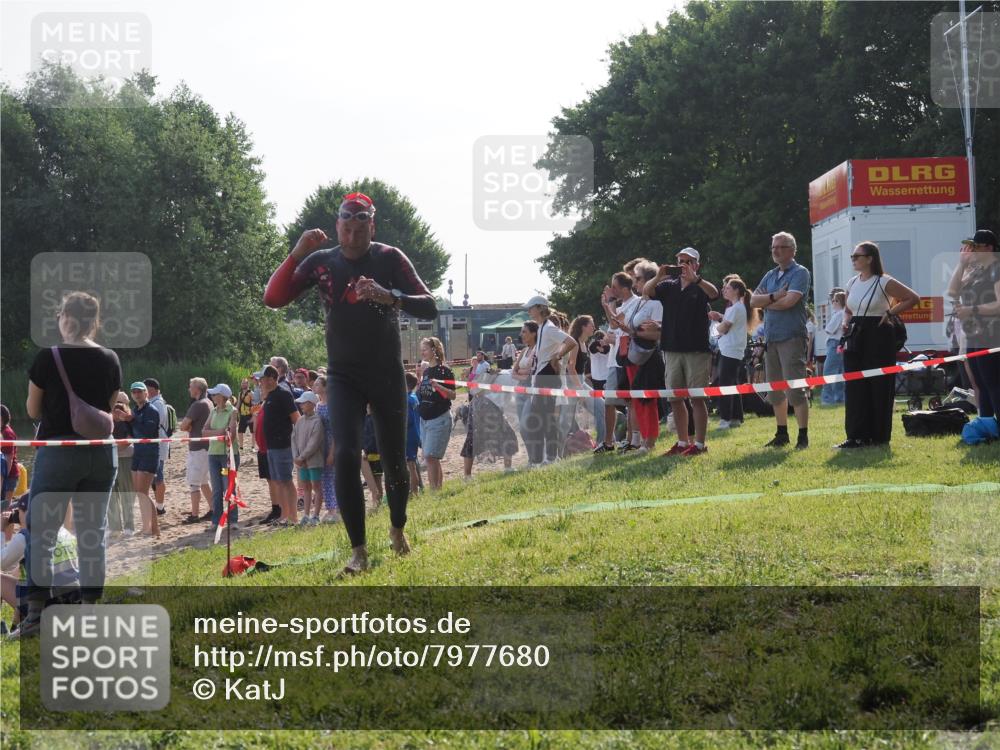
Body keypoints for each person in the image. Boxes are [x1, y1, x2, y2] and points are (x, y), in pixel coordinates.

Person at [264, 192, 438, 573]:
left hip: (386, 372)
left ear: (371, 227)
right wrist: (296, 253)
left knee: (394, 461)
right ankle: (358, 550)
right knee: (345, 454)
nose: (353, 236)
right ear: (338, 227)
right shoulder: (322, 262)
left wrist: (389, 295)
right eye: (346, 228)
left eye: (361, 229)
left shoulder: (389, 258)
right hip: (342, 374)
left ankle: (397, 528)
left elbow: (429, 304)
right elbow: (273, 298)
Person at [18, 291, 121, 638]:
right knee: (93, 533)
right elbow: (106, 408)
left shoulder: (49, 357)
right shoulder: (110, 358)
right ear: (94, 322)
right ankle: (91, 609)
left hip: (60, 451)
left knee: (41, 532)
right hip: (101, 453)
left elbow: (32, 411)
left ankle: (35, 614)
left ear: (65, 318)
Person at [837, 241, 919, 448]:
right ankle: (855, 436)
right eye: (852, 257)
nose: (854, 260)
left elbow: (912, 298)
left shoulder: (884, 281)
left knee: (879, 385)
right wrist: (845, 323)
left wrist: (890, 312)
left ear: (870, 258)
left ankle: (879, 436)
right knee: (855, 385)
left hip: (878, 334)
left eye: (857, 256)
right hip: (856, 334)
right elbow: (848, 309)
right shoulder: (852, 282)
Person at [645, 249, 718, 455]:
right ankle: (683, 442)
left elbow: (715, 293)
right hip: (672, 349)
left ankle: (701, 444)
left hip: (696, 351)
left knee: (697, 398)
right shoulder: (669, 286)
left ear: (697, 264)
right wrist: (659, 275)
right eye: (680, 261)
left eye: (688, 261)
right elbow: (648, 292)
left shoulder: (701, 286)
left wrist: (697, 279)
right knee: (675, 398)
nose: (684, 265)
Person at [750, 232, 812, 450]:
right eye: (773, 247)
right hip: (772, 339)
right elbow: (752, 300)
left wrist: (767, 302)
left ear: (792, 250)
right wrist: (775, 296)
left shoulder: (800, 273)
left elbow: (790, 302)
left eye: (781, 247)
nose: (775, 250)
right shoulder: (770, 274)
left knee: (795, 389)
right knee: (775, 389)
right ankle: (782, 433)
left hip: (791, 337)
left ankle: (803, 436)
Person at [947, 229, 1000, 418]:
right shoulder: (977, 270)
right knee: (979, 382)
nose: (972, 250)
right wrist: (961, 264)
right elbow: (952, 291)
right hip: (975, 333)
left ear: (989, 248)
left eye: (976, 246)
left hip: (992, 333)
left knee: (992, 382)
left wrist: (973, 309)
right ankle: (985, 423)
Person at [524, 296, 577, 466]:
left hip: (547, 376)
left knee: (545, 419)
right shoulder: (542, 328)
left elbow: (571, 342)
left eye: (531, 308)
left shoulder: (548, 329)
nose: (528, 311)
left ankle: (551, 457)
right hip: (542, 375)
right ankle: (543, 458)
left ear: (540, 308)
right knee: (538, 419)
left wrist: (557, 355)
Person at [709, 276, 757, 428]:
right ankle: (736, 417)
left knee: (725, 384)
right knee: (732, 383)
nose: (725, 290)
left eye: (728, 288)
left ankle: (725, 419)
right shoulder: (736, 307)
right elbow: (730, 322)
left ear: (736, 291)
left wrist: (715, 326)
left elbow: (724, 327)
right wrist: (721, 318)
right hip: (732, 349)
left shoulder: (736, 308)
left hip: (730, 350)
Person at [259, 366, 299, 524]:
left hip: (283, 445)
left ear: (270, 378)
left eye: (262, 379)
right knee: (278, 481)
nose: (260, 382)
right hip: (271, 446)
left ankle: (293, 517)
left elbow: (296, 418)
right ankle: (284, 515)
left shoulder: (283, 394)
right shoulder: (270, 395)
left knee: (286, 481)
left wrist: (297, 443)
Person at [417, 337, 456, 490]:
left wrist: (439, 387)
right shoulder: (427, 371)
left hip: (439, 418)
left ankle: (434, 491)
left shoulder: (444, 370)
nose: (422, 353)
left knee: (430, 457)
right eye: (421, 350)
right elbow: (424, 394)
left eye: (425, 349)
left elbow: (452, 395)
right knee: (431, 457)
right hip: (425, 420)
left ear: (434, 350)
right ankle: (437, 490)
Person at [202, 383, 240, 532]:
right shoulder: (213, 410)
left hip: (228, 455)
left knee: (228, 488)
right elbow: (204, 432)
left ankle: (233, 519)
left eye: (215, 394)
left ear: (222, 396)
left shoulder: (233, 411)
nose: (212, 396)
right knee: (217, 490)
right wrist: (219, 432)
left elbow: (231, 435)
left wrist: (218, 433)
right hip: (213, 454)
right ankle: (216, 521)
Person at [126, 381, 161, 537]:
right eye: (134, 392)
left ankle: (155, 529)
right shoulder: (135, 410)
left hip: (149, 453)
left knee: (143, 493)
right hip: (138, 453)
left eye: (139, 391)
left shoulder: (152, 410)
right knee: (139, 493)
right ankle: (146, 526)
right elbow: (133, 434)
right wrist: (124, 420)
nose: (137, 394)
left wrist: (130, 420)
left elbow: (147, 431)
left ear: (146, 393)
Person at [567, 315, 607, 447]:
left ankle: (604, 442)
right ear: (583, 327)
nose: (594, 328)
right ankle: (602, 442)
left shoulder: (583, 343)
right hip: (573, 384)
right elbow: (570, 368)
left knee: (602, 407)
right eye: (591, 325)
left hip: (580, 382)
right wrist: (579, 390)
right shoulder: (574, 343)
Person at [178, 378, 213, 524]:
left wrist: (189, 426)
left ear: (197, 389)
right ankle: (213, 509)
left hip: (198, 448)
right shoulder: (209, 402)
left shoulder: (198, 405)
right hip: (206, 447)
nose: (189, 389)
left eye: (190, 387)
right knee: (204, 481)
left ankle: (194, 514)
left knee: (194, 483)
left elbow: (183, 425)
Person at [291, 391, 324, 525]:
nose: (301, 406)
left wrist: (302, 456)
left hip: (314, 460)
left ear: (311, 404)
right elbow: (293, 438)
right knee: (305, 487)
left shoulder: (318, 421)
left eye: (304, 403)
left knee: (316, 486)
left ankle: (315, 515)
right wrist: (296, 456)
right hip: (301, 461)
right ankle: (306, 514)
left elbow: (314, 442)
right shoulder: (299, 421)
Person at [106, 391, 135, 539]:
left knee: (126, 493)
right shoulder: (107, 421)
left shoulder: (128, 420)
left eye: (121, 404)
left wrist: (113, 447)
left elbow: (129, 439)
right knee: (111, 494)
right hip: (109, 460)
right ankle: (115, 527)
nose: (117, 409)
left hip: (125, 458)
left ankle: (129, 526)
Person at [312, 375, 339, 523]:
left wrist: (332, 452)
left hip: (332, 442)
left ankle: (336, 509)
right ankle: (331, 509)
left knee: (333, 477)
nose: (315, 386)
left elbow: (336, 430)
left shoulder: (332, 405)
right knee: (325, 478)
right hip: (321, 443)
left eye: (317, 384)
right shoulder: (318, 405)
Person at [143, 378, 169, 516]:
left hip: (157, 443)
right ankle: (159, 505)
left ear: (151, 389)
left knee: (158, 476)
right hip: (154, 442)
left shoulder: (157, 403)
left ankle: (160, 506)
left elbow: (153, 423)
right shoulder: (154, 402)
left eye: (144, 389)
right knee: (154, 476)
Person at [820, 290, 847, 405]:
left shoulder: (839, 314)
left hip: (834, 344)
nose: (833, 302)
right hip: (840, 344)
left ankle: (827, 399)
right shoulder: (843, 313)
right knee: (840, 372)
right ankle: (840, 398)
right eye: (833, 300)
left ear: (841, 302)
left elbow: (828, 329)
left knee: (828, 371)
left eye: (836, 300)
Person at [404, 372, 423, 495]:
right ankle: (417, 489)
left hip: (409, 435)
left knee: (411, 465)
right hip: (416, 433)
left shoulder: (406, 399)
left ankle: (414, 492)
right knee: (413, 463)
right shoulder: (414, 397)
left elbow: (407, 420)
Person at [1, 406, 19, 505]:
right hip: (3, 474)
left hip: (9, 474)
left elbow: (9, 457)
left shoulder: (7, 433)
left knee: (6, 504)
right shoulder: (2, 431)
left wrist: (4, 477)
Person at [238, 378, 255, 452]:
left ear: (248, 384)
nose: (243, 384)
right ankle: (241, 447)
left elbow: (254, 403)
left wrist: (254, 414)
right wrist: (235, 411)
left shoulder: (251, 393)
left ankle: (253, 446)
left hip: (250, 414)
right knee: (240, 431)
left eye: (245, 383)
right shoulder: (240, 393)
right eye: (242, 383)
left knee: (253, 431)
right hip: (242, 415)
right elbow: (238, 403)